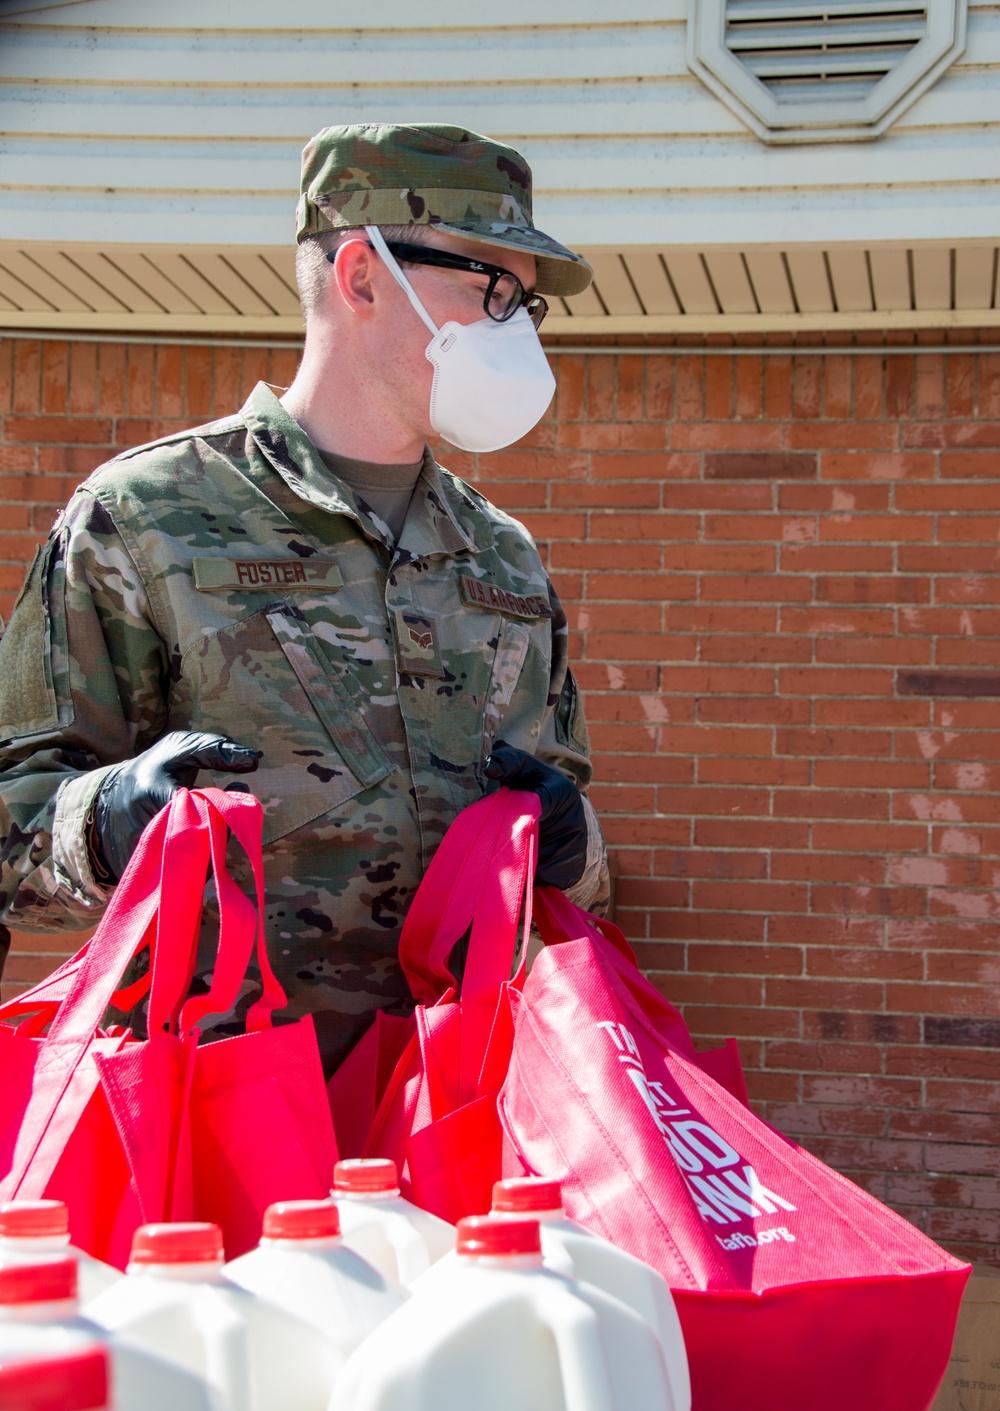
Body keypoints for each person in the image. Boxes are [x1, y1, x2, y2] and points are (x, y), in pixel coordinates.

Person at [0, 123, 608, 1073]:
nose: (516, 326)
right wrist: (112, 815)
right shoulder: (144, 517)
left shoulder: (506, 558)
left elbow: (575, 863)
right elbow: (14, 829)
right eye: (494, 290)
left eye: (526, 303)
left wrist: (575, 848)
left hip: (455, 1118)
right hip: (218, 1128)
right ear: (364, 275)